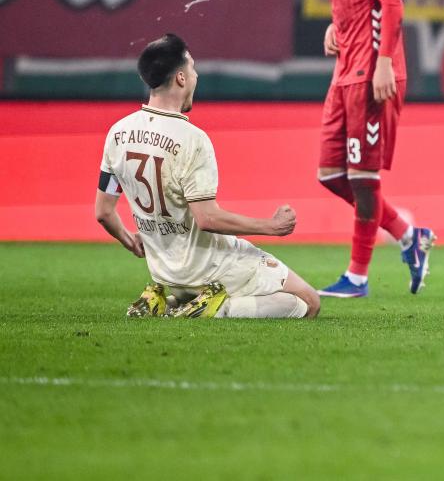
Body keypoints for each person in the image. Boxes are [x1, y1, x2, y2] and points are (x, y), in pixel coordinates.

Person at [95, 33, 321, 319]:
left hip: (165, 271)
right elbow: (207, 218)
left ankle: (168, 302)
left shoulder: (118, 132)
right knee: (308, 302)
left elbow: (103, 212)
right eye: (192, 68)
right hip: (209, 265)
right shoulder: (192, 139)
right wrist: (271, 226)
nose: (196, 75)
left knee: (289, 298)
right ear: (180, 78)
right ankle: (213, 309)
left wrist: (132, 241)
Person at [303, 0, 435, 298]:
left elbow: (392, 3)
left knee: (363, 177)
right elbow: (362, 5)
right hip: (345, 73)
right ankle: (408, 234)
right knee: (329, 173)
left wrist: (382, 64)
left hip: (370, 77)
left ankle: (357, 278)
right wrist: (335, 24)